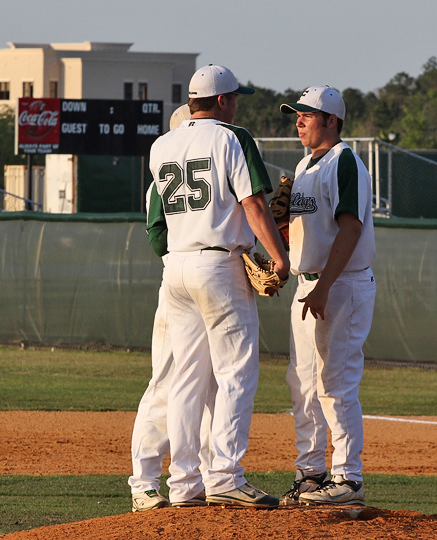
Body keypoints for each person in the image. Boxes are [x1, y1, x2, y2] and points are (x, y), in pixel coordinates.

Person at [145, 65, 289, 508]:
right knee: (236, 373)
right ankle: (225, 475)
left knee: (186, 380)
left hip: (176, 268)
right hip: (219, 266)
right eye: (235, 98)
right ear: (223, 100)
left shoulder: (161, 145)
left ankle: (185, 484)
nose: (237, 105)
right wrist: (280, 256)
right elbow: (253, 204)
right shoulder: (232, 137)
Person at [277, 86, 376, 506]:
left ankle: (348, 477)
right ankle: (311, 473)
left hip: (341, 284)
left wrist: (324, 285)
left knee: (335, 382)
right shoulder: (304, 166)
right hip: (310, 283)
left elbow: (350, 229)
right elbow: (306, 232)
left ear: (331, 120)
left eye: (306, 114)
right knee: (302, 383)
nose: (298, 120)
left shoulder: (344, 162)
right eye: (296, 114)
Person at [129, 104, 217, 512]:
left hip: (211, 286)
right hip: (179, 289)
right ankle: (144, 481)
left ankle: (205, 478)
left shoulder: (217, 169)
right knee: (167, 382)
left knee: (212, 387)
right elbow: (157, 241)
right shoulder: (160, 184)